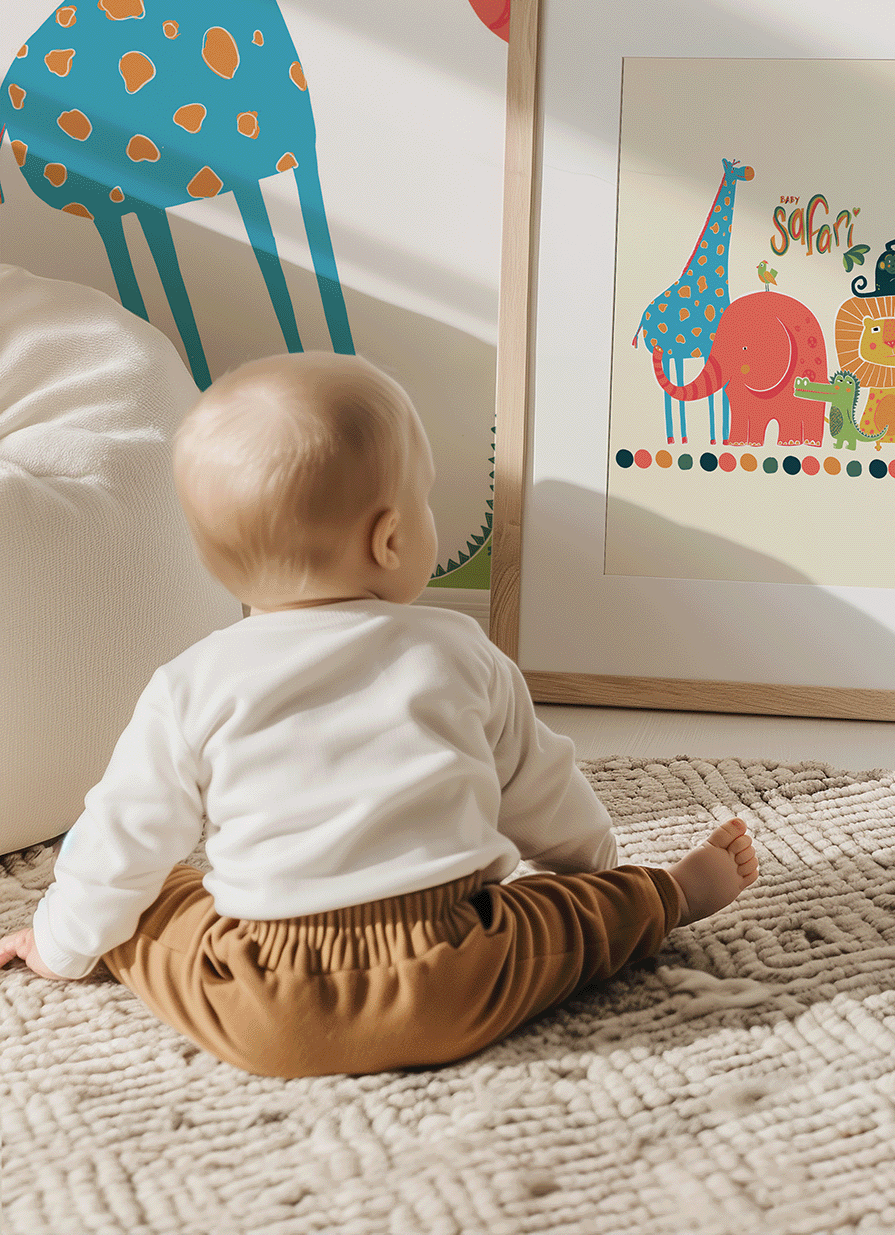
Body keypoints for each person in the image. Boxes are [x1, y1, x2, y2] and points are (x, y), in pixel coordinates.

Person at [0, 354, 758, 1076]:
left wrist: (63, 945)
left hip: (264, 1001)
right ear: (391, 538)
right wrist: (595, 867)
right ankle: (674, 894)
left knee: (152, 896)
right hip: (455, 970)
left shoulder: (190, 683)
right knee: (567, 919)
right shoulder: (460, 651)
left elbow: (116, 839)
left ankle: (80, 939)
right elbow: (542, 787)